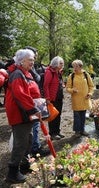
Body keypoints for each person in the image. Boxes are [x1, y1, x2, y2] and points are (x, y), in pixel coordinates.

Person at [5, 49, 42, 183]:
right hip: (20, 114)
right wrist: (33, 109)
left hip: (26, 114)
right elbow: (20, 95)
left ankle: (25, 165)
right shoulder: (17, 74)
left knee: (28, 140)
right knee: (20, 143)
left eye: (33, 60)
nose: (33, 62)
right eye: (30, 60)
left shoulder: (25, 73)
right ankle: (12, 173)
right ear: (22, 60)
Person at [24, 46, 49, 157]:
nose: (34, 60)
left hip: (34, 100)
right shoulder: (24, 70)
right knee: (35, 126)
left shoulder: (28, 68)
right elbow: (36, 78)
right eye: (33, 57)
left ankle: (34, 147)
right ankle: (35, 148)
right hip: (31, 101)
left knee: (35, 125)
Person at [66, 60, 94, 137]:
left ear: (80, 67)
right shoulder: (71, 76)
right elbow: (67, 88)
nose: (74, 68)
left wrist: (90, 93)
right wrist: (72, 90)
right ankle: (77, 131)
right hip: (76, 100)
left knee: (83, 115)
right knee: (77, 116)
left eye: (76, 66)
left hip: (85, 99)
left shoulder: (86, 74)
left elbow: (91, 86)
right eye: (73, 66)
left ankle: (82, 130)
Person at [43, 56, 65, 140]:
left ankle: (57, 131)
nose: (62, 65)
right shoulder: (49, 72)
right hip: (52, 98)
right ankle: (52, 133)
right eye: (60, 63)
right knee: (53, 115)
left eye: (62, 63)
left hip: (59, 97)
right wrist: (47, 98)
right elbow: (46, 85)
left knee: (58, 115)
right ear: (55, 63)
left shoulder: (58, 72)